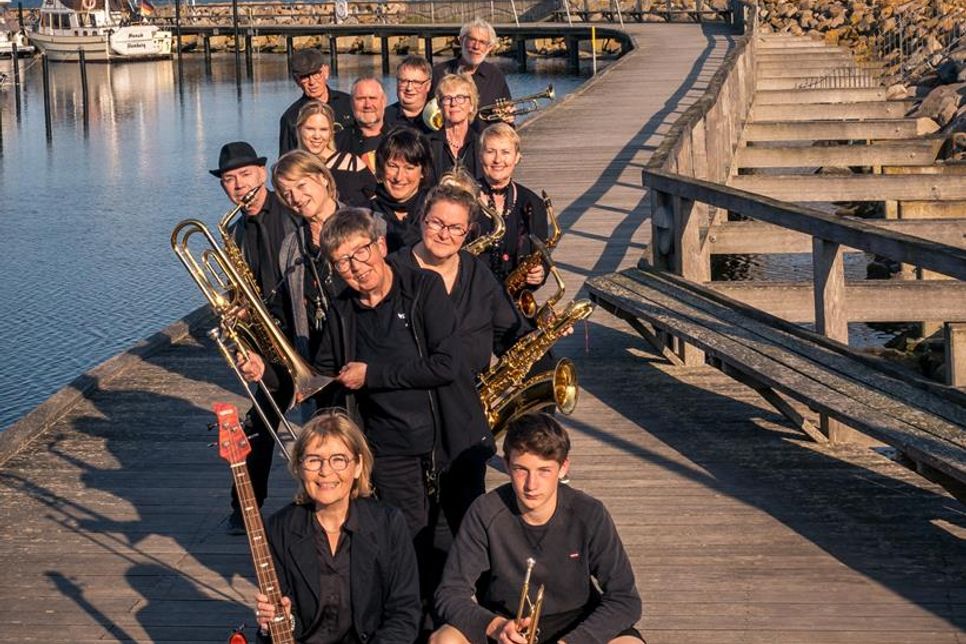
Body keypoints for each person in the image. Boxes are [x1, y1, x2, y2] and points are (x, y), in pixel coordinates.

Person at [237, 208, 493, 562]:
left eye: (361, 252)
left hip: (451, 440)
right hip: (389, 450)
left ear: (381, 245)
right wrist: (266, 370)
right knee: (409, 549)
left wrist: (371, 375)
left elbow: (446, 365)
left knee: (468, 546)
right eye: (342, 262)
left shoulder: (423, 288)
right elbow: (319, 380)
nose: (356, 266)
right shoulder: (342, 312)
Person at [432, 413, 645, 644]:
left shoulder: (589, 513)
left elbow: (625, 599)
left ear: (563, 468)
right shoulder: (485, 512)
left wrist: (573, 642)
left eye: (544, 471)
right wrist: (496, 626)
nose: (531, 485)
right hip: (506, 626)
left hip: (577, 625)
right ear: (506, 465)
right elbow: (450, 593)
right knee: (444, 639)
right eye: (521, 469)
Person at [253, 410, 422, 644]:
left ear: (358, 466)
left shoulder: (389, 523)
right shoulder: (278, 529)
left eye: (339, 459)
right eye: (314, 460)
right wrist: (281, 620)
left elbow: (404, 613)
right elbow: (289, 620)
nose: (325, 471)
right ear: (299, 467)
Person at [210, 141, 298, 535]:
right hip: (269, 344)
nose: (238, 185)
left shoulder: (293, 213)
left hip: (306, 335)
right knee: (258, 422)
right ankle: (244, 507)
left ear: (262, 174)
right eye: (229, 180)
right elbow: (235, 295)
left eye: (245, 175)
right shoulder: (233, 231)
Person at [272, 150, 343, 363]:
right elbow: (285, 308)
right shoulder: (290, 245)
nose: (296, 198)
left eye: (301, 186)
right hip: (315, 359)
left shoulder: (367, 223)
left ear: (322, 177)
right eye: (287, 193)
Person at [475, 122, 549, 285]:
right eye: (490, 151)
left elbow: (542, 256)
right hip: (472, 296)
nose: (498, 160)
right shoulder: (463, 199)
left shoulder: (533, 203)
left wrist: (541, 271)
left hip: (516, 296)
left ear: (517, 157)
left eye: (506, 152)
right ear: (480, 155)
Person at [296, 99, 377, 208]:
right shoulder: (294, 168)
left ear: (331, 132)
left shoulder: (352, 163)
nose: (317, 136)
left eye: (323, 130)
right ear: (300, 129)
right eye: (310, 129)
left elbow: (377, 201)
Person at [369, 127, 435, 253]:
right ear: (381, 168)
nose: (399, 177)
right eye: (392, 166)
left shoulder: (437, 208)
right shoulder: (365, 214)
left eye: (409, 168)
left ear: (423, 172)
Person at [429, 18, 511, 116]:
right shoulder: (438, 73)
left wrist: (508, 116)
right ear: (461, 40)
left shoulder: (496, 76)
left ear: (489, 48)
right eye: (472, 40)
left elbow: (507, 111)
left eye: (482, 42)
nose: (476, 46)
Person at [279, 48, 353, 155]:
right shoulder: (291, 117)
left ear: (326, 72)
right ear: (296, 80)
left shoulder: (349, 103)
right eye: (305, 77)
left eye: (316, 74)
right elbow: (286, 161)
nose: (312, 82)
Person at [427, 73, 483, 180]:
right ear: (440, 105)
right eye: (447, 98)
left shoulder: (482, 144)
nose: (453, 103)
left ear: (471, 105)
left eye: (460, 97)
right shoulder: (427, 144)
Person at [334, 76, 388, 168]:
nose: (367, 105)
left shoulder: (400, 139)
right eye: (361, 99)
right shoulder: (337, 143)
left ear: (384, 101)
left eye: (373, 98)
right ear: (351, 103)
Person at [385, 55, 435, 134]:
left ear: (428, 86)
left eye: (416, 82)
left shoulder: (438, 117)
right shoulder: (383, 118)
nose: (409, 88)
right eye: (404, 81)